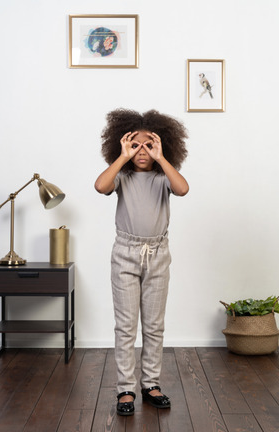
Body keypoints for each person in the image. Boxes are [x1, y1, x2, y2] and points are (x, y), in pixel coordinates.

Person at [94, 108, 189, 416]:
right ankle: (125, 388)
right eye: (135, 145)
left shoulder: (163, 178)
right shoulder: (122, 175)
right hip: (125, 253)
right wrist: (122, 157)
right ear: (122, 145)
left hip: (158, 255)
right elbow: (100, 186)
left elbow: (183, 189)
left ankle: (150, 383)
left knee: (154, 324)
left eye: (149, 145)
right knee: (125, 326)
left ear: (162, 145)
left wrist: (163, 159)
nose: (142, 151)